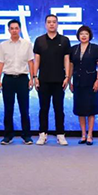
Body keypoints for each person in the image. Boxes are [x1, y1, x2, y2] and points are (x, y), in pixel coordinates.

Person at [33, 14, 71, 146]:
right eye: (49, 22)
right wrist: (35, 76)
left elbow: (67, 59)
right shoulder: (39, 40)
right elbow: (36, 60)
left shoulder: (64, 40)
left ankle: (60, 134)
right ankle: (42, 134)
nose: (51, 24)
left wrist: (67, 76)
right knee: (43, 108)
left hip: (59, 80)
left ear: (57, 24)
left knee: (59, 109)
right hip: (43, 80)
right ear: (45, 24)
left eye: (54, 22)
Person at [0, 19, 35, 145]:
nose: (14, 30)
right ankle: (8, 135)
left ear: (20, 29)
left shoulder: (27, 44)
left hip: (23, 79)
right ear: (8, 30)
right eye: (11, 28)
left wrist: (32, 78)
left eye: (16, 28)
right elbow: (0, 62)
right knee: (8, 109)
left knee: (24, 109)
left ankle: (26, 136)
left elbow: (30, 62)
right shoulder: (3, 45)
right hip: (8, 79)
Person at [69, 26, 98, 146]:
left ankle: (90, 135)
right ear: (78, 36)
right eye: (81, 34)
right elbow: (71, 66)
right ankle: (83, 134)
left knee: (91, 109)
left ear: (90, 36)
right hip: (78, 82)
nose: (84, 36)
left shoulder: (95, 48)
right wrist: (69, 80)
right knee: (80, 109)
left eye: (86, 34)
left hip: (91, 82)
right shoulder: (74, 49)